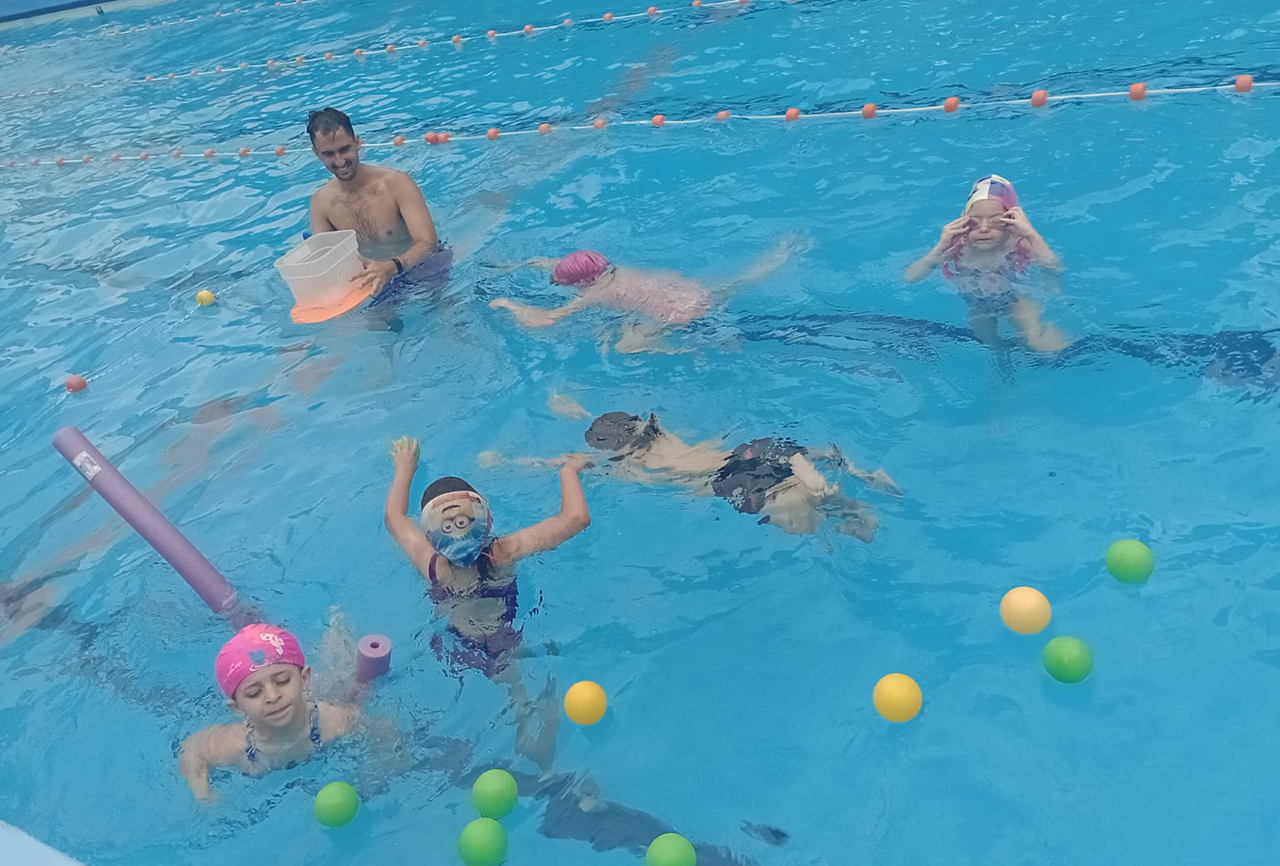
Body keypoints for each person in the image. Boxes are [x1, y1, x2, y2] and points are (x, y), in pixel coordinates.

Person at [383, 437, 592, 773]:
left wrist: (404, 469)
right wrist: (569, 471)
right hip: (502, 643)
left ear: (430, 536)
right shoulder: (502, 553)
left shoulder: (432, 565)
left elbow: (395, 518)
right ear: (486, 519)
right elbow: (576, 518)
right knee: (527, 689)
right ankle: (534, 747)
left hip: (450, 645)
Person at [577, 412, 899, 541]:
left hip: (728, 478)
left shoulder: (635, 465)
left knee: (803, 518)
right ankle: (850, 475)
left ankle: (826, 497)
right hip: (745, 452)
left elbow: (603, 467)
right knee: (810, 487)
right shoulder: (661, 434)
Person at [488, 236, 803, 353]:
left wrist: (508, 304)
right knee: (733, 285)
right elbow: (562, 264)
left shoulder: (593, 295)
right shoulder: (608, 269)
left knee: (625, 347)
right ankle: (775, 259)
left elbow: (545, 320)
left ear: (583, 282)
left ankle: (689, 348)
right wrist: (523, 264)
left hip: (678, 317)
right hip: (690, 292)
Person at [177, 623, 361, 800]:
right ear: (237, 707)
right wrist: (203, 794)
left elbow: (374, 735)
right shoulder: (234, 744)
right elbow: (191, 749)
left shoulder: (335, 722)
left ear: (304, 679)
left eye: (282, 681)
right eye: (254, 693)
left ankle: (336, 635)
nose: (272, 696)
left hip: (328, 697)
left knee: (352, 685)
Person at [904, 174, 1069, 352]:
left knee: (1040, 342)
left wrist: (1031, 233)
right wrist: (939, 248)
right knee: (990, 346)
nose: (983, 228)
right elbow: (910, 278)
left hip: (1015, 299)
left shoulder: (1018, 243)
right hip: (977, 305)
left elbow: (1053, 267)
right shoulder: (956, 245)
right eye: (974, 222)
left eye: (997, 221)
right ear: (963, 218)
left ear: (1013, 220)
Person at [307, 107, 446, 299]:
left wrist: (392, 267)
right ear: (316, 153)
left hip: (421, 267)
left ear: (357, 142)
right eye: (329, 154)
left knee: (446, 311)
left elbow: (428, 243)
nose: (339, 161)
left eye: (344, 149)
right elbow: (326, 261)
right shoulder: (321, 203)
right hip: (374, 281)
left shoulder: (396, 183)